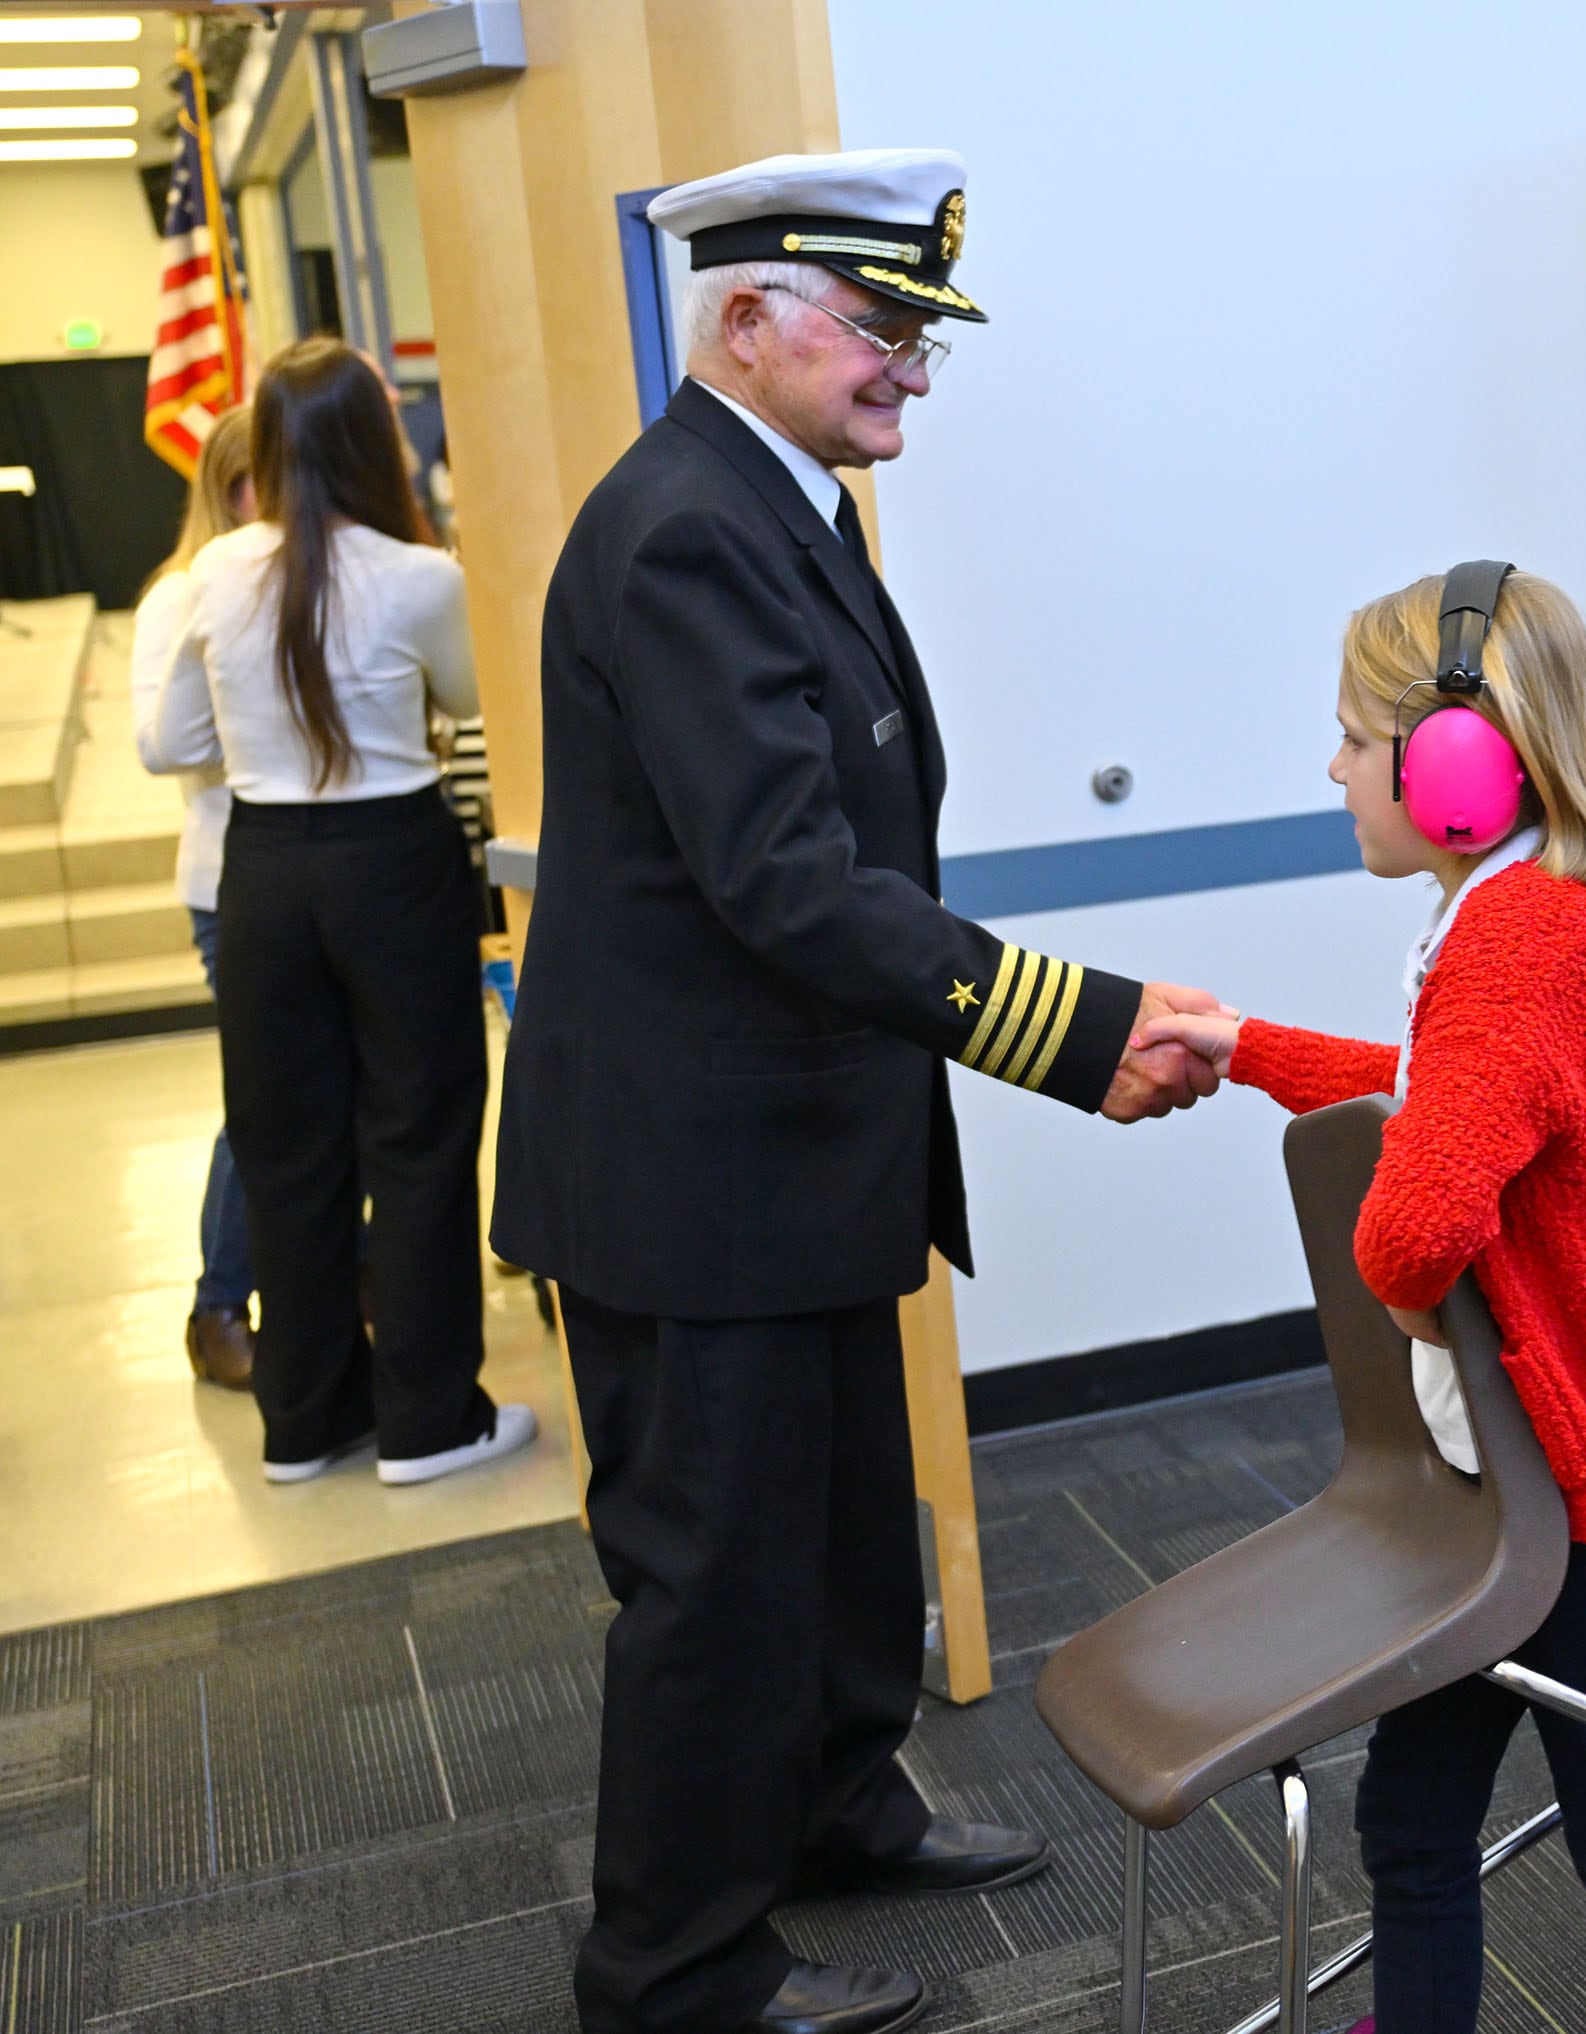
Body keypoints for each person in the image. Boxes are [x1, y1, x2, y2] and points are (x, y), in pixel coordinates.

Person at [488, 150, 1220, 2034]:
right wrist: (1077, 1024)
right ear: (746, 321)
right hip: (689, 1177)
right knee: (716, 1584)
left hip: (781, 1156)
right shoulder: (685, 527)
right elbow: (787, 879)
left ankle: (827, 1807)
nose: (915, 372)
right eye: (884, 328)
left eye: (921, 335)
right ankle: (674, 1971)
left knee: (833, 1539)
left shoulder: (773, 500)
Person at [1138, 566, 1586, 2034]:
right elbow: (1440, 1102)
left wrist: (1419, 1306)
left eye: (1357, 737)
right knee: (1413, 1816)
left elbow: (1414, 1220)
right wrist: (1245, 1044)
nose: (1336, 766)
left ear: (1461, 764)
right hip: (1519, 1482)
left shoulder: (1523, 939)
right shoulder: (1510, 914)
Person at [138, 339, 528, 1490]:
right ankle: (426, 1422)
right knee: (417, 1140)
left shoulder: (215, 577)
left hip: (261, 868)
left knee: (285, 1144)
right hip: (391, 859)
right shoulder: (417, 576)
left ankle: (303, 1423)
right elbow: (470, 700)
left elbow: (174, 745)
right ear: (374, 438)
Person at [131, 404, 257, 1391]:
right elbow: (161, 741)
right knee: (259, 1103)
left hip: (297, 873)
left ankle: (341, 1280)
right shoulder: (183, 593)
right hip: (229, 878)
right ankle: (217, 1304)